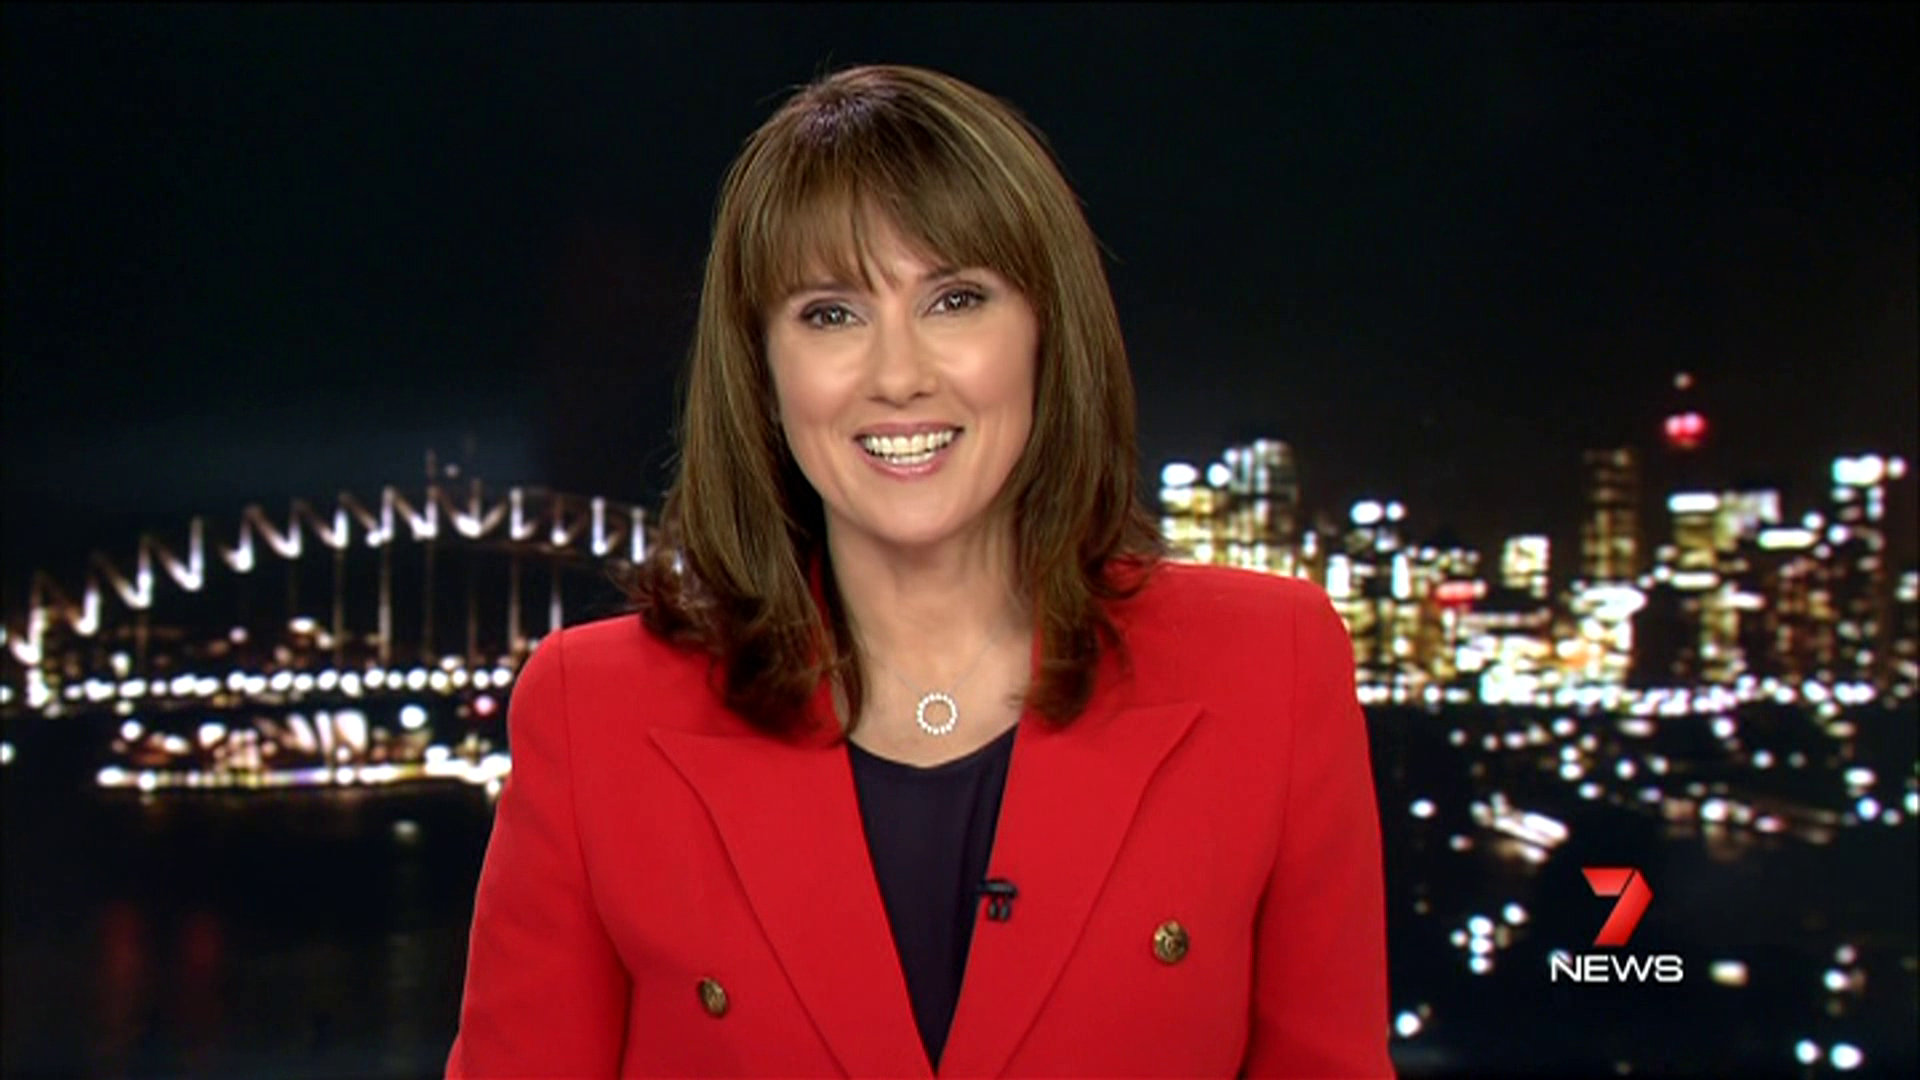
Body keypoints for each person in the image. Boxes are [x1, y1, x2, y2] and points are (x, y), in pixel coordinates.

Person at [447, 63, 1391, 1078]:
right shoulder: (593, 715)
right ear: (761, 369)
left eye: (955, 299)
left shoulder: (1272, 666)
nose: (898, 375)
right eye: (831, 314)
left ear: (1046, 333)